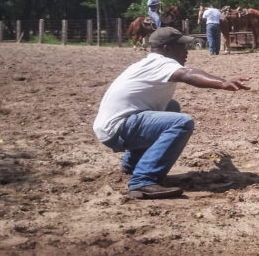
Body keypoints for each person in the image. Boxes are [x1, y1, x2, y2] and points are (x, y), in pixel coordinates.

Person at [93, 27, 250, 199]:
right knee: (182, 123)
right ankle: (143, 181)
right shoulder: (162, 63)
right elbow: (189, 74)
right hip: (119, 128)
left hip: (112, 126)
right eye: (181, 46)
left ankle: (133, 163)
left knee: (171, 107)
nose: (186, 51)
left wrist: (225, 162)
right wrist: (223, 83)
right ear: (166, 48)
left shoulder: (147, 63)